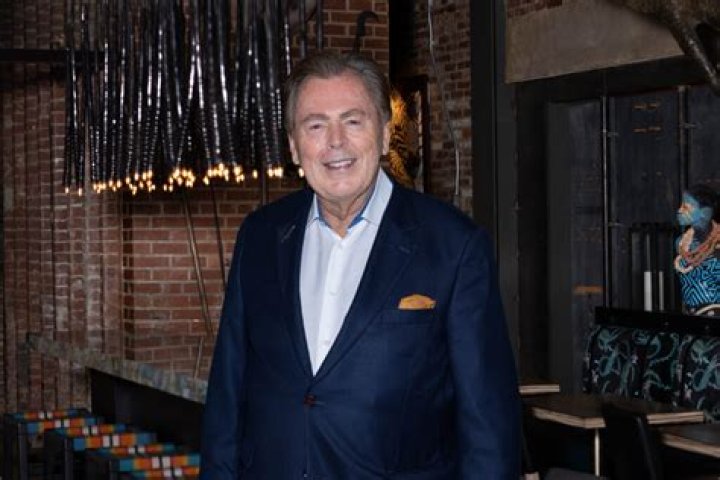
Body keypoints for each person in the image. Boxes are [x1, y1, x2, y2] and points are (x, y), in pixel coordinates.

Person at [200, 51, 520, 479]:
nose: (335, 141)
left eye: (353, 121)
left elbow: (488, 430)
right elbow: (226, 400)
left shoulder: (454, 247)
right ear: (294, 146)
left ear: (385, 134)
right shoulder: (260, 237)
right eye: (315, 125)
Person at [674, 184, 720, 316]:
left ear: (705, 212)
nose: (679, 210)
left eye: (686, 207)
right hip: (691, 316)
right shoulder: (682, 243)